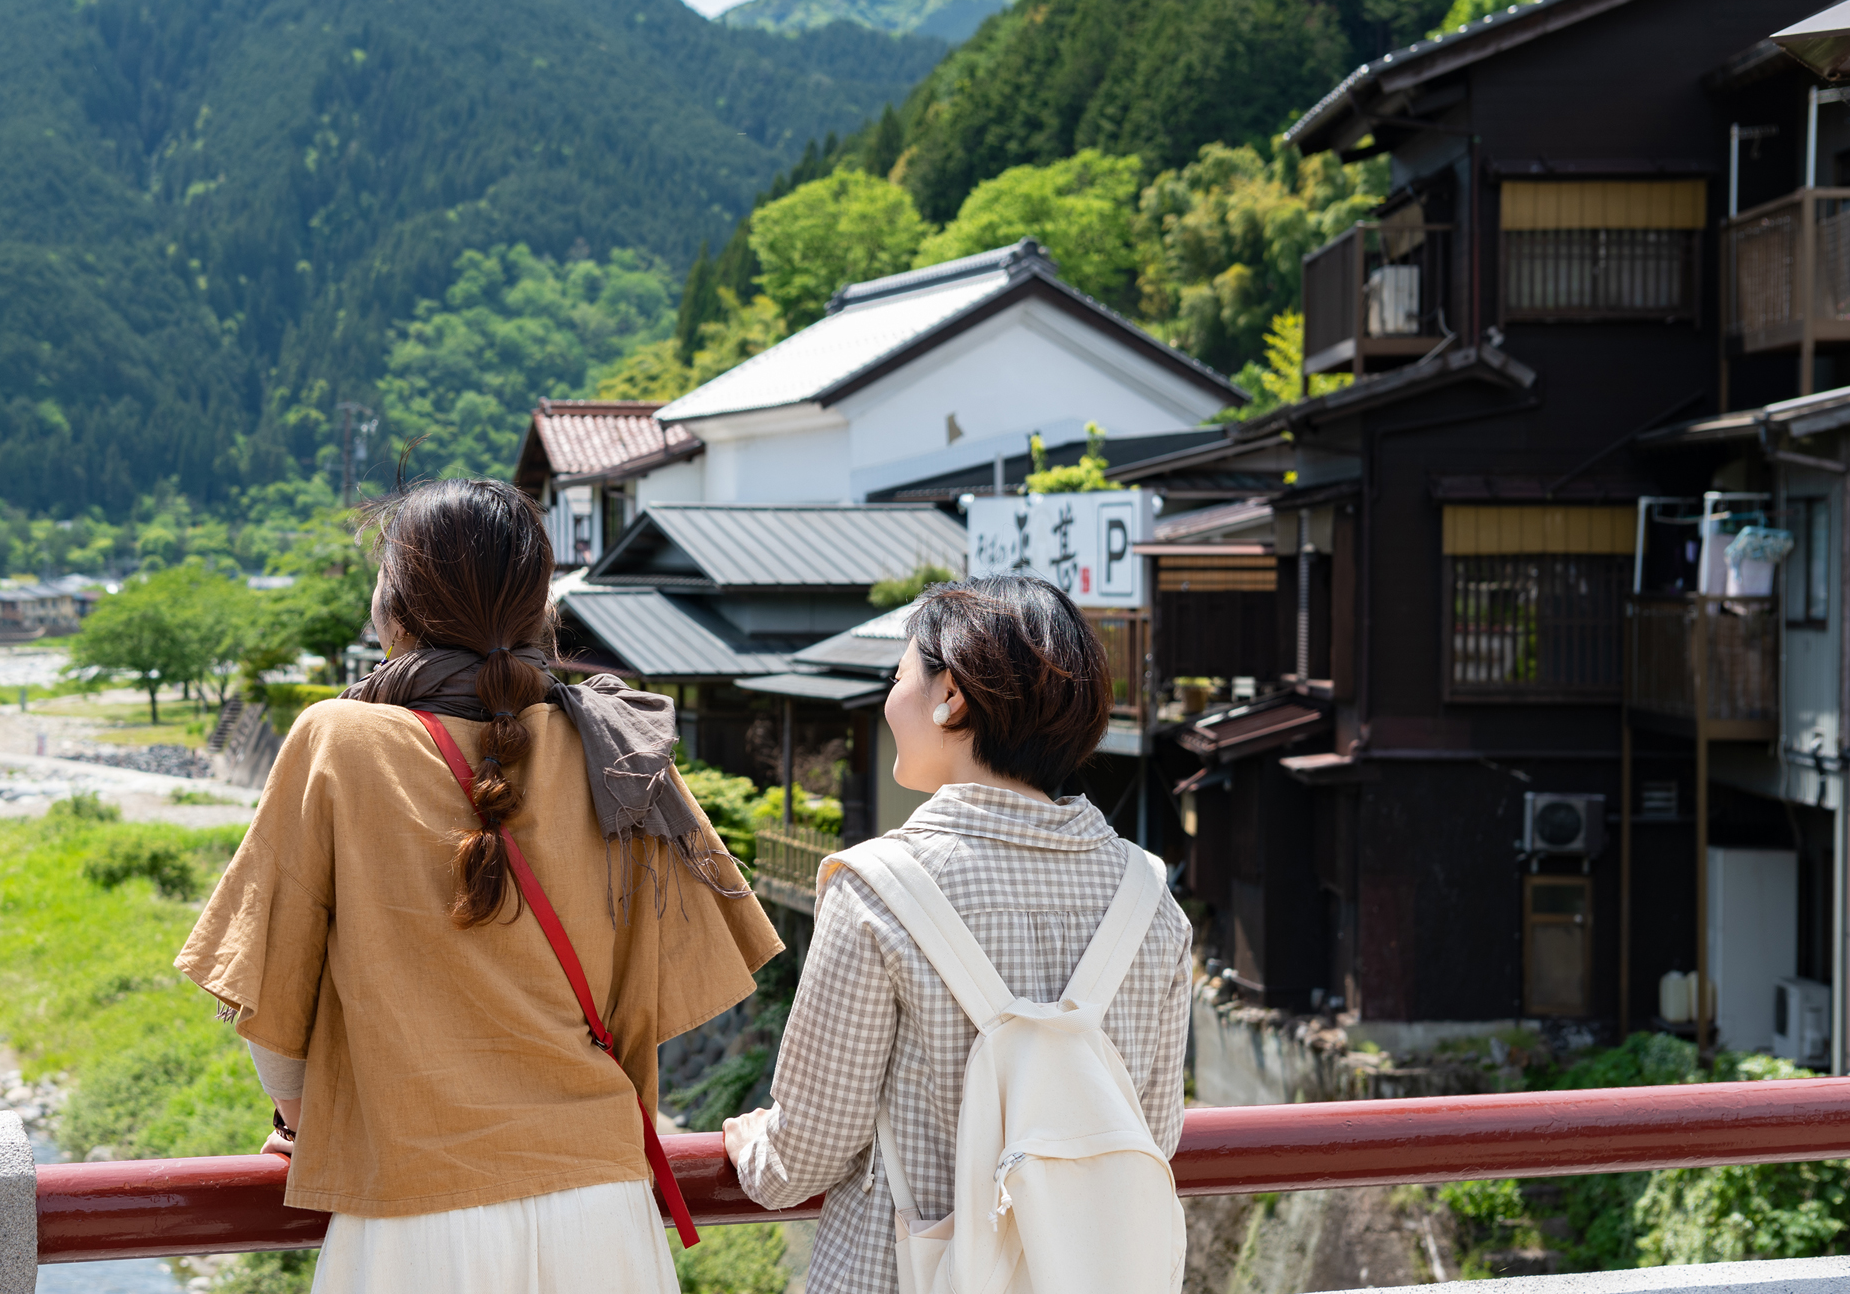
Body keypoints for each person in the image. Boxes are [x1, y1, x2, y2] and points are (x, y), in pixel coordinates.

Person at [177, 478, 782, 1294]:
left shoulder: (338, 740)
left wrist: (307, 1121)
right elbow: (645, 1003)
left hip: (414, 1212)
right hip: (605, 1210)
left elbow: (272, 1017)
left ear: (396, 606)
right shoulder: (619, 743)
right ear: (539, 606)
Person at [721, 575, 1192, 1294]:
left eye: (900, 673)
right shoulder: (1149, 900)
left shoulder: (878, 890)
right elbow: (1149, 1139)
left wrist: (754, 1148)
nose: (891, 699)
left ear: (951, 697)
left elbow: (806, 1155)